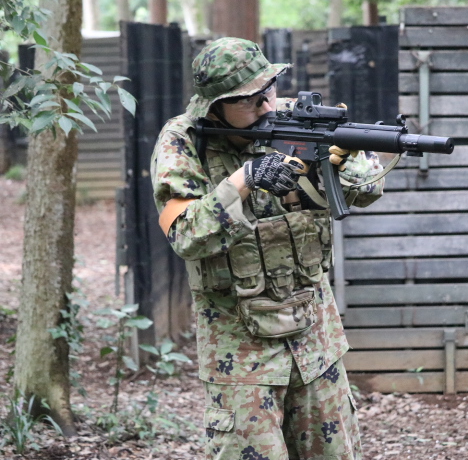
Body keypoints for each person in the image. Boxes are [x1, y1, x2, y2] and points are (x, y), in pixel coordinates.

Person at [150, 37, 384, 460]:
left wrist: (345, 159)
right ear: (215, 106)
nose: (266, 105)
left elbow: (367, 190)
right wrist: (244, 180)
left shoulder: (296, 119)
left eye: (269, 90)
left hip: (316, 341)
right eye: (249, 100)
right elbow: (185, 233)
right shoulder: (182, 141)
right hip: (240, 354)